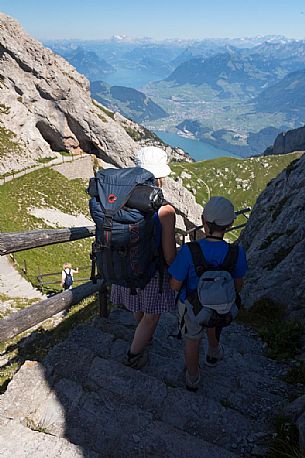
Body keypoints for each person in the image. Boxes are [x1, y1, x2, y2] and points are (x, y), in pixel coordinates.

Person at [169, 196, 248, 391]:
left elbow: (175, 285)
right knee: (214, 319)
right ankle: (213, 353)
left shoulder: (189, 250)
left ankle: (193, 378)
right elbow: (238, 283)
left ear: (203, 221)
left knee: (192, 339)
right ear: (230, 224)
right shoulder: (236, 252)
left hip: (193, 306)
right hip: (223, 305)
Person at [111, 146, 176, 369]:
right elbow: (169, 254)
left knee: (137, 306)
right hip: (151, 272)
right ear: (159, 176)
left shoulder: (118, 199)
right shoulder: (165, 210)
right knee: (152, 316)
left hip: (123, 265)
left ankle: (142, 336)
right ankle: (134, 354)